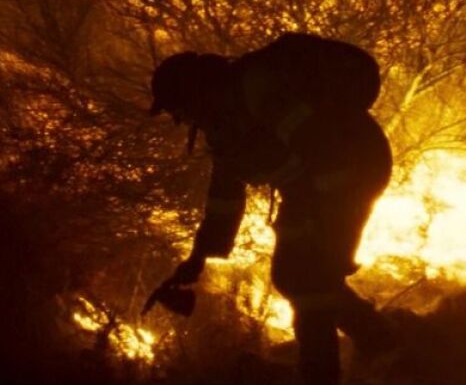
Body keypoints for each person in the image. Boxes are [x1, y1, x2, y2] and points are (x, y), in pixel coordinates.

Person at [143, 33, 396, 385]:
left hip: (351, 170)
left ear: (194, 92)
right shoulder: (223, 124)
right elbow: (224, 199)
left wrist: (334, 224)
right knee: (296, 275)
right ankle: (381, 342)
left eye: (178, 109)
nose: (180, 119)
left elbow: (320, 147)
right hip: (309, 190)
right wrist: (198, 258)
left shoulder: (257, 89)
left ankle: (332, 370)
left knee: (309, 278)